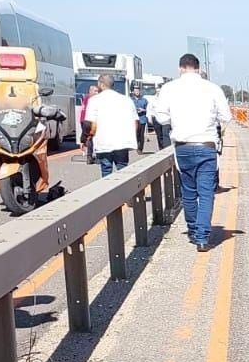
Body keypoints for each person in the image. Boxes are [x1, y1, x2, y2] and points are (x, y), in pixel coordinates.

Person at [153, 53, 231, 251]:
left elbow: (161, 118)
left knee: (188, 191)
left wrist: (176, 120)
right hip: (206, 146)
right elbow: (226, 116)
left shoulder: (169, 88)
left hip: (183, 146)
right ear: (198, 68)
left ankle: (194, 229)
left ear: (180, 68)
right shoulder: (212, 88)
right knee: (206, 193)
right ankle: (203, 238)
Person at [83, 74, 138, 177]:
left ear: (101, 84)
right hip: (122, 143)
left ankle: (109, 192)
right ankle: (124, 193)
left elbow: (89, 124)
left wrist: (85, 138)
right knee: (123, 173)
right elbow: (135, 123)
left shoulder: (94, 100)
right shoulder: (126, 100)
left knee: (106, 174)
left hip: (103, 143)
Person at [79, 84, 99, 164]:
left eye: (97, 91)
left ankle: (89, 156)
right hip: (89, 121)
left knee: (88, 139)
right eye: (95, 91)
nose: (97, 92)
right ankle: (91, 157)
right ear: (90, 91)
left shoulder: (86, 97)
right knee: (92, 138)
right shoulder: (92, 98)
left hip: (83, 120)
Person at [130, 85, 148, 154]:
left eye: (137, 91)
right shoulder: (131, 100)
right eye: (135, 91)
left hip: (142, 119)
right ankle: (137, 147)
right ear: (133, 92)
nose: (136, 92)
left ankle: (140, 149)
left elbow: (148, 110)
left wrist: (143, 110)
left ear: (139, 91)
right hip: (134, 120)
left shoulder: (144, 100)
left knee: (141, 135)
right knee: (136, 134)